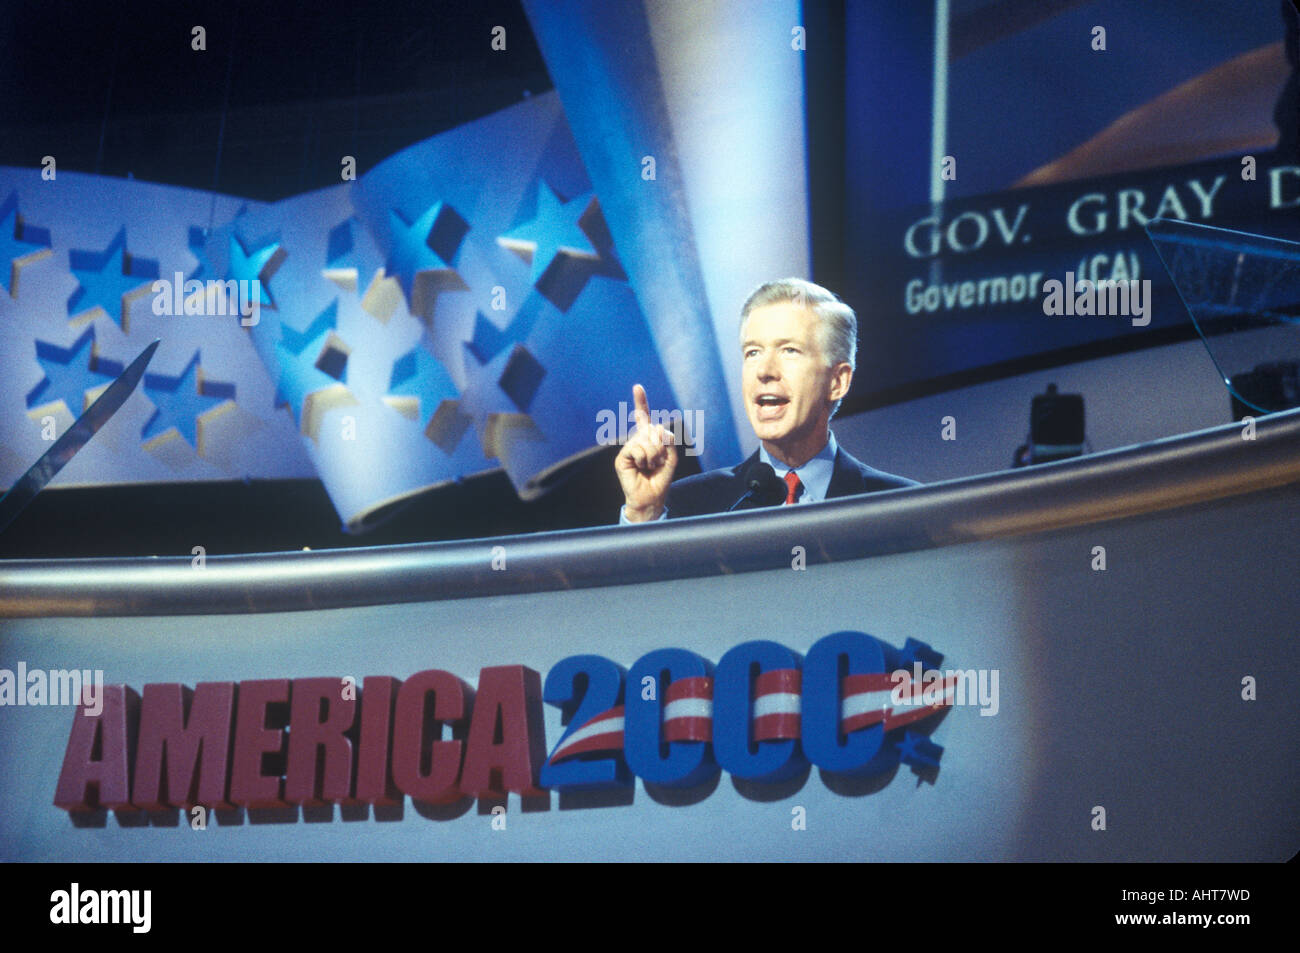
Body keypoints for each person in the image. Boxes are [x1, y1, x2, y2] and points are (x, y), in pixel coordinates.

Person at [616, 278, 917, 522]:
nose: (764, 371)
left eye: (789, 350)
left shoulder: (902, 508)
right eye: (753, 352)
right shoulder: (684, 506)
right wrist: (643, 515)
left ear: (838, 382)